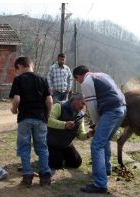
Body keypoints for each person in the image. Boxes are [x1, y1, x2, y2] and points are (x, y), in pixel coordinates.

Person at [73, 65, 126, 194]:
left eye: (76, 79)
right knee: (105, 140)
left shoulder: (86, 81)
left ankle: (100, 184)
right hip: (122, 109)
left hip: (111, 110)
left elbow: (91, 106)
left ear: (79, 76)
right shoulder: (103, 75)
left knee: (96, 144)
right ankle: (106, 170)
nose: (78, 82)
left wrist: (97, 124)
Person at [9, 56, 53, 188]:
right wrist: (47, 115)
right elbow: (50, 101)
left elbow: (16, 99)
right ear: (31, 65)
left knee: (24, 147)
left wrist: (14, 110)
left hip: (25, 119)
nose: (17, 73)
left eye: (17, 70)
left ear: (19, 67)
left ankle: (27, 176)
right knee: (42, 147)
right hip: (40, 118)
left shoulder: (18, 79)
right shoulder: (43, 79)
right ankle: (45, 176)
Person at [47, 93, 94, 169]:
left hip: (66, 144)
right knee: (57, 165)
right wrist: (64, 125)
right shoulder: (59, 106)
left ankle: (60, 156)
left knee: (77, 163)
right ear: (74, 100)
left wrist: (88, 135)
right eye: (82, 103)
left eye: (85, 105)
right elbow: (48, 120)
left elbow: (80, 134)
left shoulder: (80, 115)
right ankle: (50, 155)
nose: (83, 107)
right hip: (52, 143)